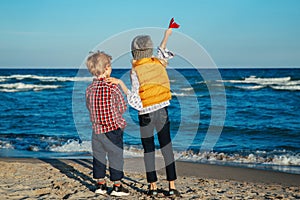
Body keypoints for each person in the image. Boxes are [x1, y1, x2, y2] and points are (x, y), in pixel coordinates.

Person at [107, 28, 180, 197]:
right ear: (150, 50)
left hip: (145, 115)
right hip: (162, 111)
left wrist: (120, 84)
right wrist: (167, 34)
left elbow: (135, 99)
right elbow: (162, 50)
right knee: (167, 148)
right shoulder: (159, 62)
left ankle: (153, 187)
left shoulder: (135, 71)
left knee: (149, 150)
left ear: (134, 52)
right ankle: (172, 186)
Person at [85, 51, 129, 197]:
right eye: (110, 66)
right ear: (106, 69)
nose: (111, 69)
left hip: (96, 130)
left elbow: (88, 106)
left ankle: (100, 184)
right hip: (112, 128)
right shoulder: (113, 87)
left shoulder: (89, 89)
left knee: (99, 156)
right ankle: (117, 186)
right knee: (115, 156)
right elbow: (122, 106)